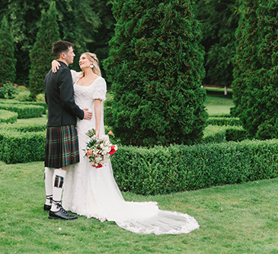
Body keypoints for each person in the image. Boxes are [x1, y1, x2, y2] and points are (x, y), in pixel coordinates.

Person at [52, 52, 199, 234]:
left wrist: (98, 131)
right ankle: (71, 200)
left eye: (84, 58)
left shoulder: (99, 81)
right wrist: (54, 61)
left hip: (88, 126)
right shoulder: (76, 76)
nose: (80, 60)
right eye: (79, 57)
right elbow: (62, 69)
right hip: (75, 125)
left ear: (92, 63)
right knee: (77, 162)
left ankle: (89, 200)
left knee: (88, 162)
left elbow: (98, 107)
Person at [43, 41, 92, 220]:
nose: (73, 55)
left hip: (53, 122)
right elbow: (67, 100)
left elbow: (48, 99)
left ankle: (48, 201)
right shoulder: (63, 71)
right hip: (64, 123)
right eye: (72, 52)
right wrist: (81, 113)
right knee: (61, 165)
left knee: (50, 164)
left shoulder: (51, 73)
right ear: (63, 55)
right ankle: (56, 207)